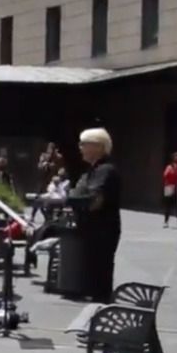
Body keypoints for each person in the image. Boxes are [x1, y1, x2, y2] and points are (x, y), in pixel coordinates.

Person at [70, 128, 122, 304]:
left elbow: (94, 201)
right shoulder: (92, 170)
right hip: (93, 231)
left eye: (84, 144)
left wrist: (68, 199)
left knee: (100, 279)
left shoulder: (105, 170)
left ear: (99, 147)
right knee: (94, 278)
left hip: (102, 232)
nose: (80, 148)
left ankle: (99, 316)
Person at [162, 152, 177, 229]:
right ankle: (166, 221)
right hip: (169, 186)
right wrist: (172, 172)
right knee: (168, 205)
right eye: (175, 157)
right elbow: (165, 175)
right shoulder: (169, 167)